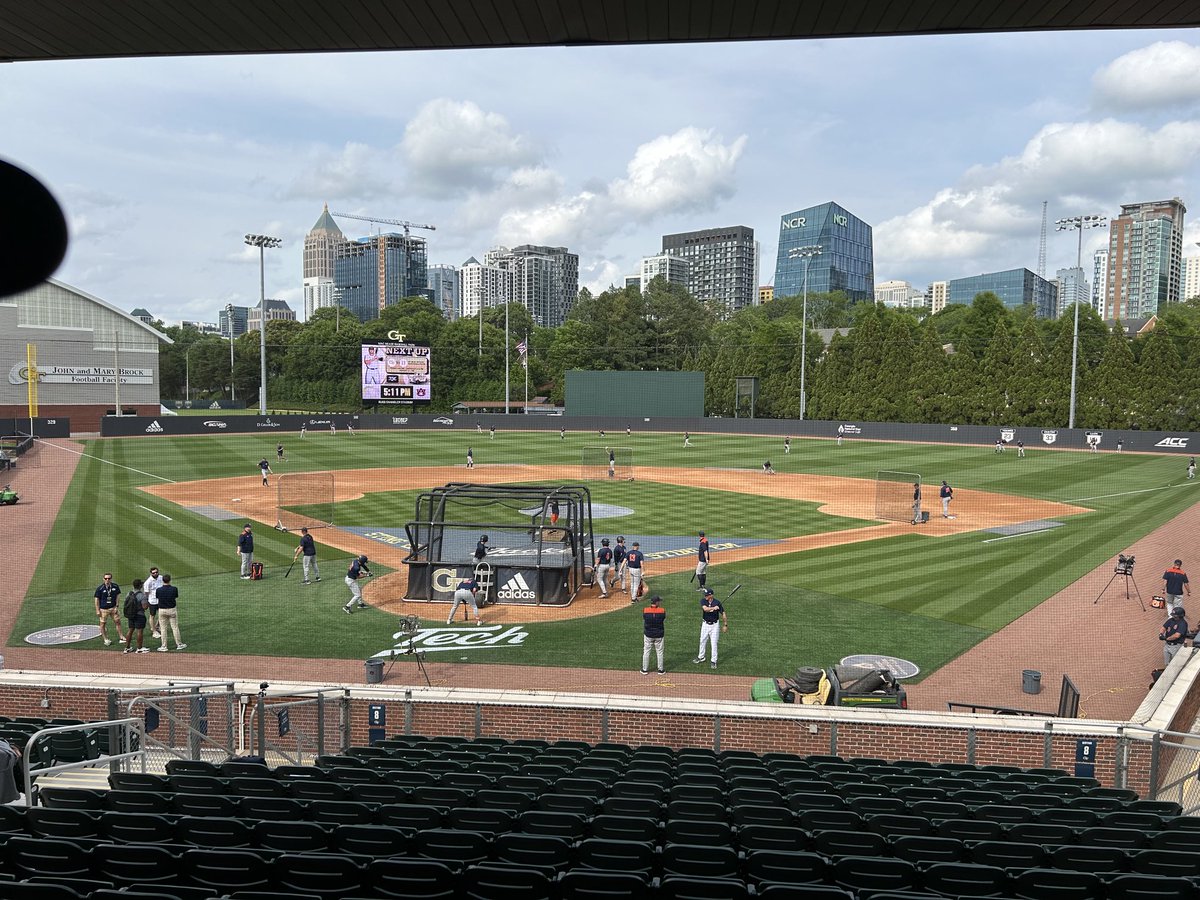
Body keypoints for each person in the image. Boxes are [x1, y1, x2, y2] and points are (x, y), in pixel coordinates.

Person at [692, 587, 727, 670]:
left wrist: (725, 625)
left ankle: (713, 661)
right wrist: (713, 608)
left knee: (714, 643)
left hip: (715, 626)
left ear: (711, 595)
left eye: (707, 595)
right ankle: (701, 657)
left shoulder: (717, 602)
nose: (706, 596)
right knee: (702, 640)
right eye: (705, 595)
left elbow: (723, 613)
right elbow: (705, 609)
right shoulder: (703, 601)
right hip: (705, 624)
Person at [155, 574, 186, 651]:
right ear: (170, 580)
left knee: (163, 628)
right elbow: (175, 596)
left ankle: (164, 646)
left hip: (162, 610)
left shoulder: (158, 590)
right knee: (175, 627)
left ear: (163, 580)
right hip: (172, 610)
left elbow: (157, 597)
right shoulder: (174, 589)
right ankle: (179, 644)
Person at [93, 572, 125, 647]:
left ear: (111, 579)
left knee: (118, 622)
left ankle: (121, 636)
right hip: (103, 609)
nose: (107, 580)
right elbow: (96, 600)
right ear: (103, 579)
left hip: (113, 608)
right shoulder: (100, 588)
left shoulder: (115, 586)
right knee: (103, 624)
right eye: (106, 578)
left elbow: (118, 595)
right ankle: (105, 639)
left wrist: (117, 606)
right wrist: (97, 610)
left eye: (109, 578)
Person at [122, 578, 151, 653]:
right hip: (139, 615)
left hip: (130, 615)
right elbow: (145, 607)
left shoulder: (129, 593)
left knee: (130, 630)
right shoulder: (142, 595)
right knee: (139, 631)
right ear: (140, 586)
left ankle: (127, 647)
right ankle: (139, 648)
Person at [640, 594, 666, 676]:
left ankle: (645, 670)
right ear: (657, 602)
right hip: (659, 635)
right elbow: (663, 618)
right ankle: (660, 670)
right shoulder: (662, 611)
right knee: (660, 652)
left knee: (646, 652)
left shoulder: (645, 610)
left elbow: (644, 618)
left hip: (648, 634)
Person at [144, 565, 164, 639]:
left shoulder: (161, 578)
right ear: (151, 573)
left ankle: (157, 626)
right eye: (153, 573)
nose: (155, 574)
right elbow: (146, 593)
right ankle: (154, 631)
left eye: (156, 572)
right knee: (152, 616)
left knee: (161, 614)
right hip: (152, 601)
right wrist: (146, 601)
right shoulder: (148, 582)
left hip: (160, 600)